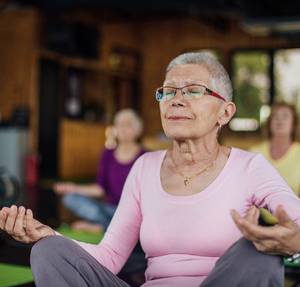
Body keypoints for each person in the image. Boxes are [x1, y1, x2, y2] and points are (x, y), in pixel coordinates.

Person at [2, 52, 300, 287]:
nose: (177, 100)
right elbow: (109, 256)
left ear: (225, 112)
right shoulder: (145, 167)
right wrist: (49, 234)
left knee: (260, 249)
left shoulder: (249, 167)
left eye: (194, 91)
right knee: (49, 251)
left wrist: (293, 243)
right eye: (168, 91)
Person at [54, 108, 148, 233]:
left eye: (127, 124)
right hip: (108, 210)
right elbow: (100, 189)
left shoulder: (146, 157)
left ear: (138, 130)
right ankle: (112, 226)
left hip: (133, 213)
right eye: (119, 124)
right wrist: (73, 187)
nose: (122, 128)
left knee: (142, 216)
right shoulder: (107, 153)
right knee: (70, 198)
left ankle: (103, 227)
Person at [250, 102, 300, 196]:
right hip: (258, 210)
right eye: (275, 117)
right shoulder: (255, 152)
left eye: (285, 117)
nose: (280, 121)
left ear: (294, 124)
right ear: (269, 123)